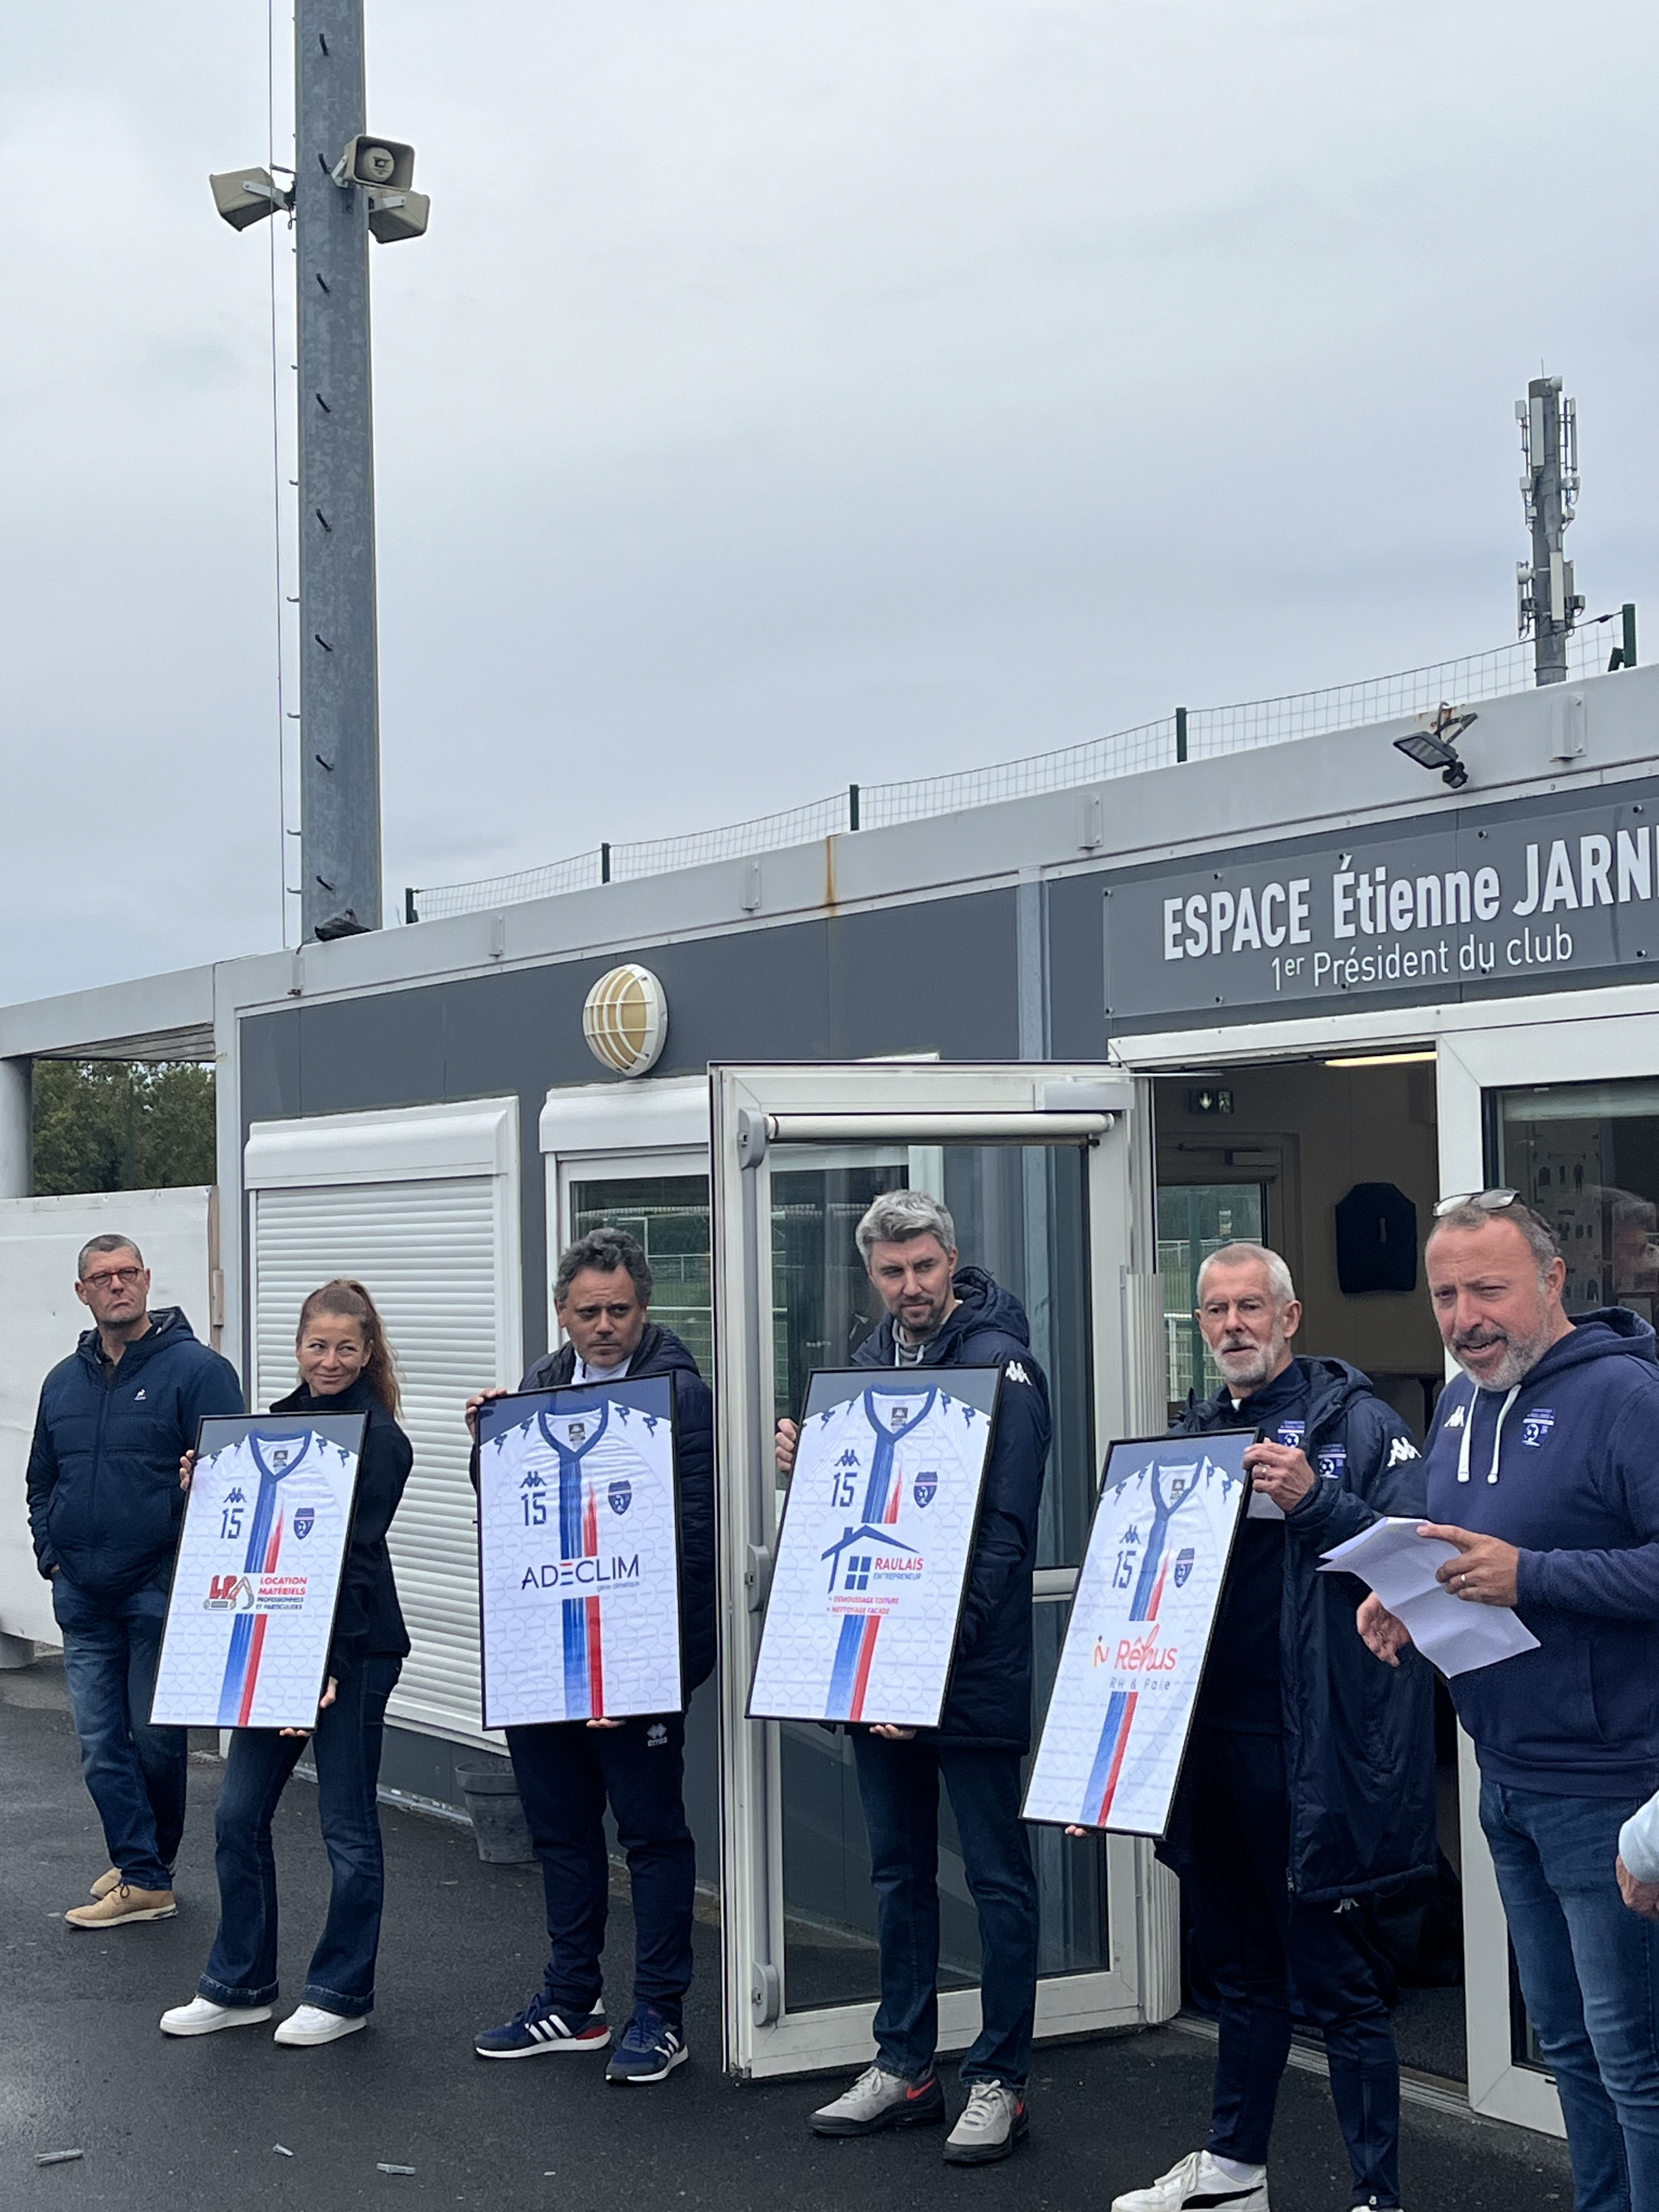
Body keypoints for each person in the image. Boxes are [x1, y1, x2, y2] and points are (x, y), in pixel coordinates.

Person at [1110, 1243, 1433, 2212]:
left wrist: (1314, 1500)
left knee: (1335, 1982)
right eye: (1214, 1311)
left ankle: (1376, 2193)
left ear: (1288, 1318)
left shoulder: (1359, 1423)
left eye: (1250, 1306)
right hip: (1207, 1743)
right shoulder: (1192, 1433)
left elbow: (1416, 1564)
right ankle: (1232, 2171)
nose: (1231, 1326)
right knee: (1240, 1970)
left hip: (1309, 1755)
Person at [1359, 1193, 1659, 2212]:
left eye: (1486, 1288)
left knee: (1635, 2063)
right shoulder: (1458, 1400)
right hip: (1505, 1776)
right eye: (1445, 1295)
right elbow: (1452, 1545)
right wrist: (1401, 1600)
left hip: (1611, 1788)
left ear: (1550, 1282)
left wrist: (1532, 1576)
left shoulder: (1625, 1396)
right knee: (1568, 2046)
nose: (1464, 1317)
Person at [782, 1189, 1051, 2168]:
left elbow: (1002, 1536)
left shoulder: (1001, 1364)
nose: (909, 1288)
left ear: (951, 1260)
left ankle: (1000, 2080)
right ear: (872, 1274)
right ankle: (903, 2065)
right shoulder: (861, 1361)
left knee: (994, 1876)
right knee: (896, 1874)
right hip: (876, 1669)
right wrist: (810, 1464)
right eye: (891, 1272)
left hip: (963, 1672)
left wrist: (919, 1669)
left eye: (924, 1267)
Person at [467, 1226, 715, 2085]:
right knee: (562, 1835)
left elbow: (695, 1543)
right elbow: (516, 1526)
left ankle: (660, 2014)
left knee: (650, 1837)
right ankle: (572, 2001)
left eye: (618, 1310)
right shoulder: (534, 1389)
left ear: (644, 1309)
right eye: (587, 1312)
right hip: (546, 1661)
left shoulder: (683, 1396)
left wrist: (653, 1665)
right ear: (563, 1314)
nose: (603, 1325)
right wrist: (485, 1447)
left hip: (635, 1665)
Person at [159, 1279, 414, 2046]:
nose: (329, 1360)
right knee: (237, 1814)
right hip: (276, 1645)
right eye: (317, 1345)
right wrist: (197, 1491)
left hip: (354, 1650)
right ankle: (239, 1984)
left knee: (345, 1826)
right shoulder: (263, 1430)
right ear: (298, 1347)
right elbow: (233, 1545)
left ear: (368, 1353)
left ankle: (342, 1993)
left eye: (345, 1347)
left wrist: (328, 1662)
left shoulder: (381, 1439)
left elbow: (357, 1563)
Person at [26, 1233, 242, 1929]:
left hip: (160, 1586)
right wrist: (50, 1554)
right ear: (83, 1293)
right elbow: (42, 1479)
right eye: (102, 1277)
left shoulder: (198, 1371)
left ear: (147, 1280)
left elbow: (233, 1481)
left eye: (128, 1273)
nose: (117, 1285)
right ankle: (143, 1868)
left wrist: (186, 1550)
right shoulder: (63, 1380)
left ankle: (149, 1869)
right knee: (99, 1742)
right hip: (83, 1592)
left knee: (154, 1741)